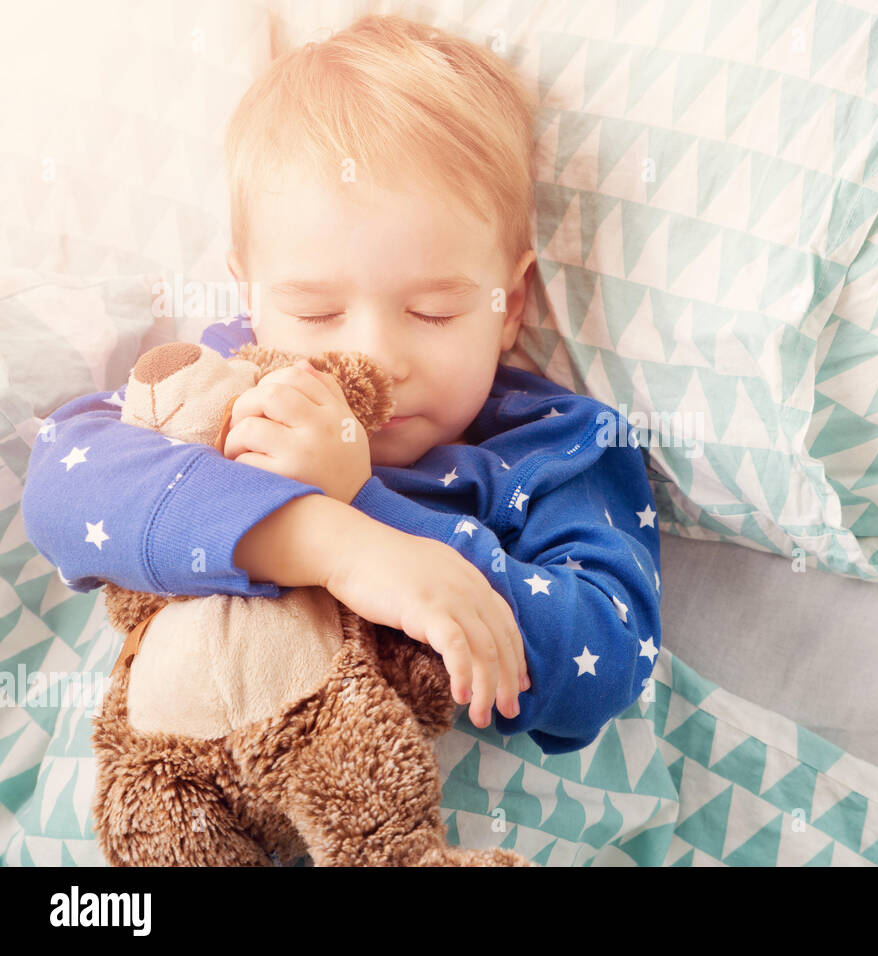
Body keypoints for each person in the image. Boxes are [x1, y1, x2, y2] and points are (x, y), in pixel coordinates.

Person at [20, 14, 661, 755]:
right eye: (315, 311)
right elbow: (63, 485)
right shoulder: (229, 384)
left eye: (434, 311)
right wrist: (340, 543)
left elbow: (609, 660)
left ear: (508, 305)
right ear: (254, 300)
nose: (376, 354)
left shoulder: (555, 447)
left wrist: (372, 504)